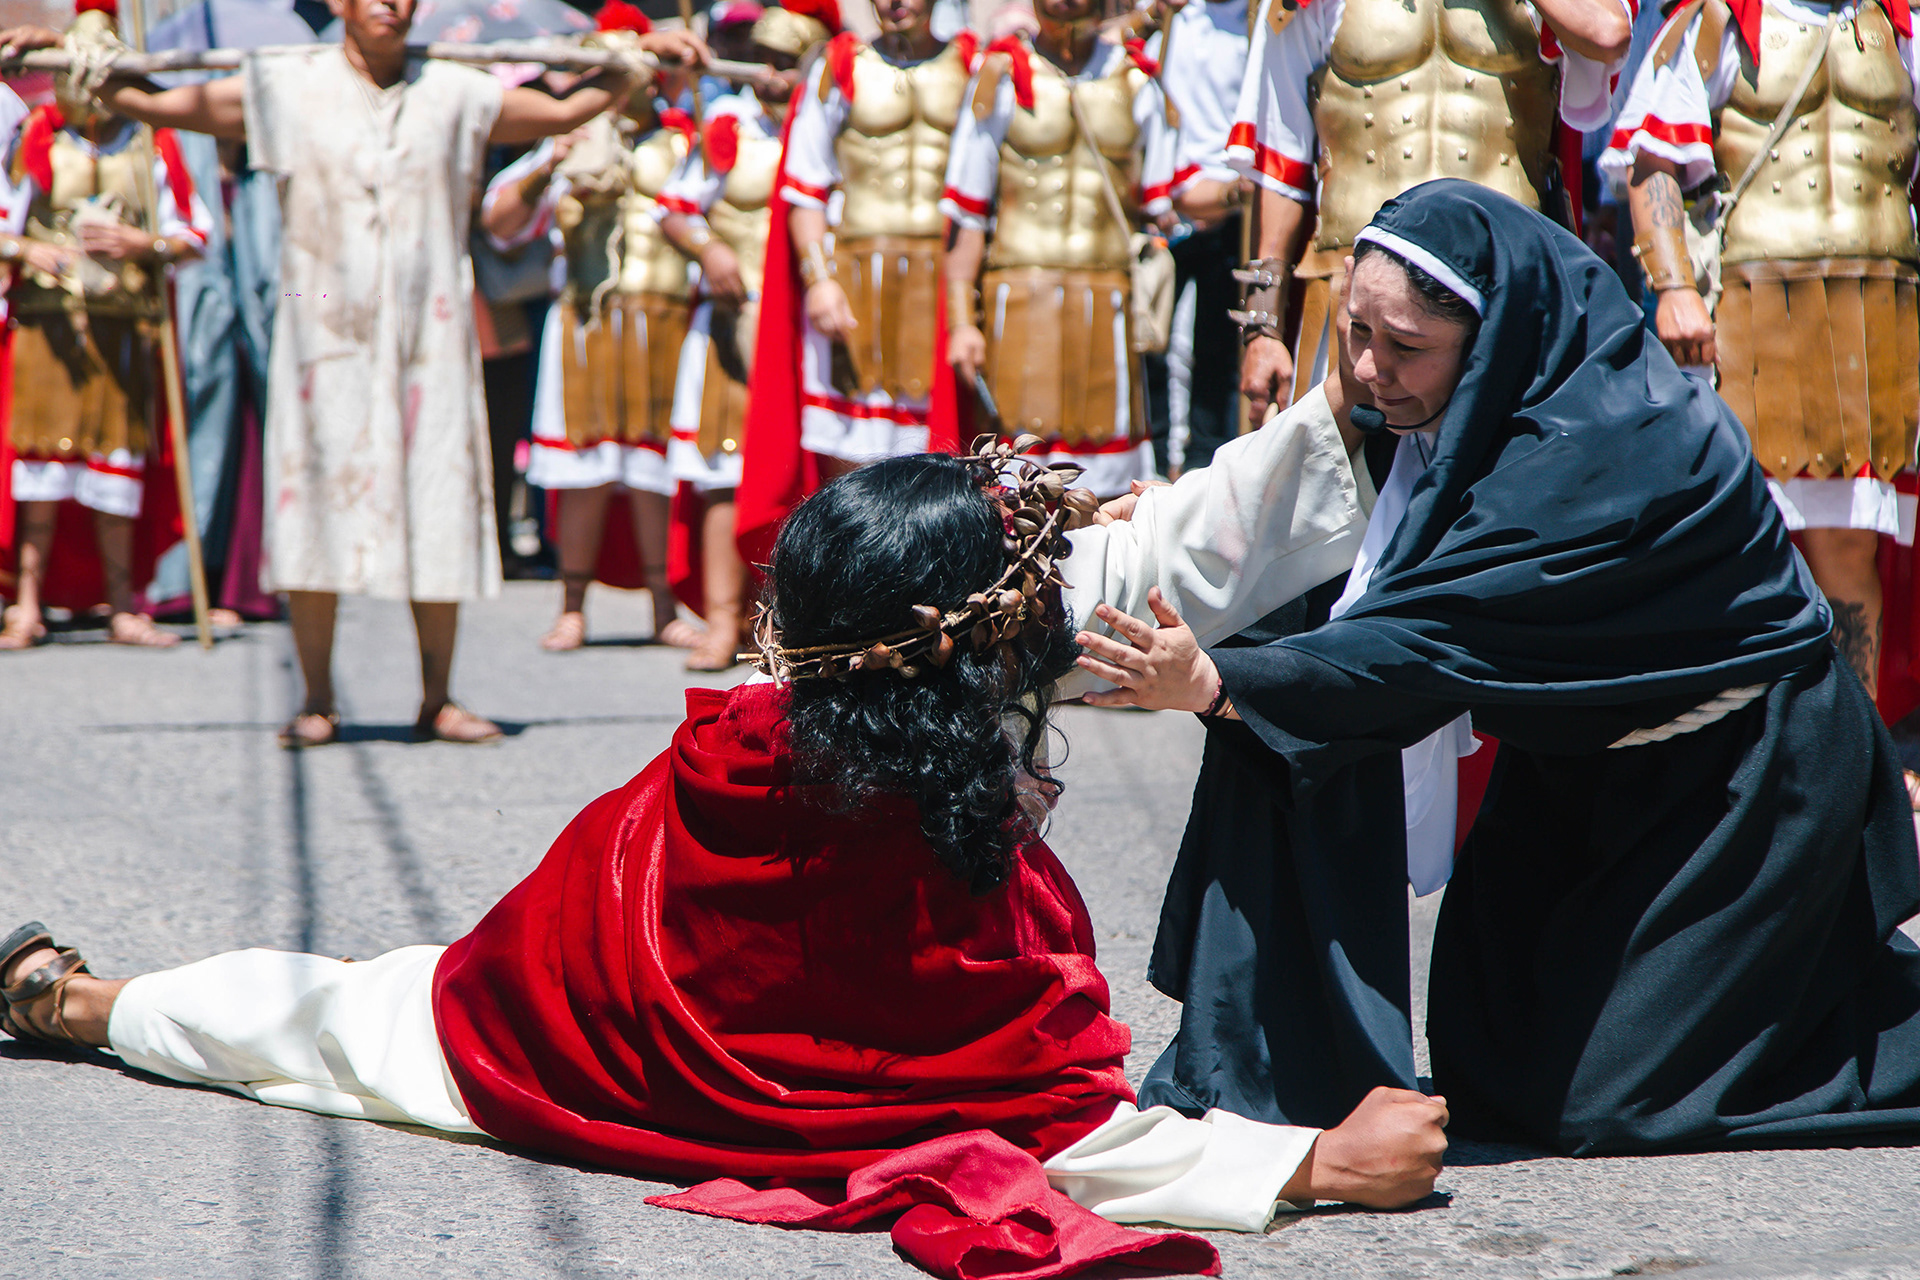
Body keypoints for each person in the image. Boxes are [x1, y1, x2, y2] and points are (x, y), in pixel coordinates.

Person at [0, 439, 1448, 1244]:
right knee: (326, 1020)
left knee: (331, 1015)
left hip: (535, 1026)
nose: (1036, 624)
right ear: (950, 656)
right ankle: (79, 1002)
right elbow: (1051, 1131)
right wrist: (1312, 1163)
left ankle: (79, 999)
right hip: (586, 1052)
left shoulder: (757, 724)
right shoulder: (924, 854)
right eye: (1014, 608)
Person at [1078, 178, 1920, 1156]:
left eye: (1405, 347)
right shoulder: (1464, 392)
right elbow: (1308, 502)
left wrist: (1220, 684)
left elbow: (1416, 643)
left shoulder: (1610, 447)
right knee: (1491, 1070)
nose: (1368, 369)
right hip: (1589, 763)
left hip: (1745, 783)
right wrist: (1165, 514)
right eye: (1356, 331)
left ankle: (1851, 1016)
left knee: (1605, 1109)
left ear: (1491, 335)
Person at [0, 0, 708, 742]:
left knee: (437, 503)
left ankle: (438, 698)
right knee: (311, 508)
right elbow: (154, 100)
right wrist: (76, 51)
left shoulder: (455, 90)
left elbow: (568, 110)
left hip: (431, 338)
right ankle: (316, 699)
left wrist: (636, 60)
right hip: (320, 337)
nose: (388, 4)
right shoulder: (287, 83)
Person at [1604, 0, 1919, 702]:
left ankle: (1854, 744)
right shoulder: (1717, 21)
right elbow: (1653, 162)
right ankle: (1747, 743)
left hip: (1874, 317)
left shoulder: (1899, 26)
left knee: (1848, 545)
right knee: (1740, 539)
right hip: (1752, 314)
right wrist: (1674, 287)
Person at [1229, 0, 1631, 421]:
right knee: (1341, 460)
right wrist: (1263, 329)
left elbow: (1607, 34)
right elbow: (1281, 165)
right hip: (1354, 294)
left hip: (1504, 290)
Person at [481, 2, 704, 654]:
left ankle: (664, 607)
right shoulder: (568, 141)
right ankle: (572, 606)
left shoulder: (682, 142)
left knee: (653, 470)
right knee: (582, 469)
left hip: (664, 323)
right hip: (585, 320)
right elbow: (498, 227)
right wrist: (550, 163)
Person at [0, 1, 210, 651]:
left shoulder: (151, 143)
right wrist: (26, 250)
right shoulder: (38, 136)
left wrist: (143, 244)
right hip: (48, 328)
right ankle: (26, 607)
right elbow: (6, 221)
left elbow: (193, 233)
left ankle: (123, 606)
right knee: (40, 472)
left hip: (122, 326)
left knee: (116, 470)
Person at [940, 0, 1175, 498]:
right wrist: (961, 321)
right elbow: (966, 213)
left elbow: (1168, 200)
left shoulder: (1137, 79)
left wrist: (1240, 188)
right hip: (1018, 304)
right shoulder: (1000, 75)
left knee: (1109, 489)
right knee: (1012, 484)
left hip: (1108, 308)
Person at [656, 1, 822, 671]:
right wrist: (709, 248)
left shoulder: (832, 127)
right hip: (735, 320)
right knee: (724, 472)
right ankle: (725, 622)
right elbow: (674, 208)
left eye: (788, 63)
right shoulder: (727, 122)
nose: (772, 76)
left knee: (808, 477)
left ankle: (798, 626)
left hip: (811, 328)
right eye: (763, 61)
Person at [1144, 0, 1251, 476]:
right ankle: (1155, 461)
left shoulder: (1256, 22)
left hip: (1230, 208)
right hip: (1166, 205)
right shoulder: (1170, 21)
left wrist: (1233, 193)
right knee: (1154, 345)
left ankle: (1202, 466)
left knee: (1215, 350)